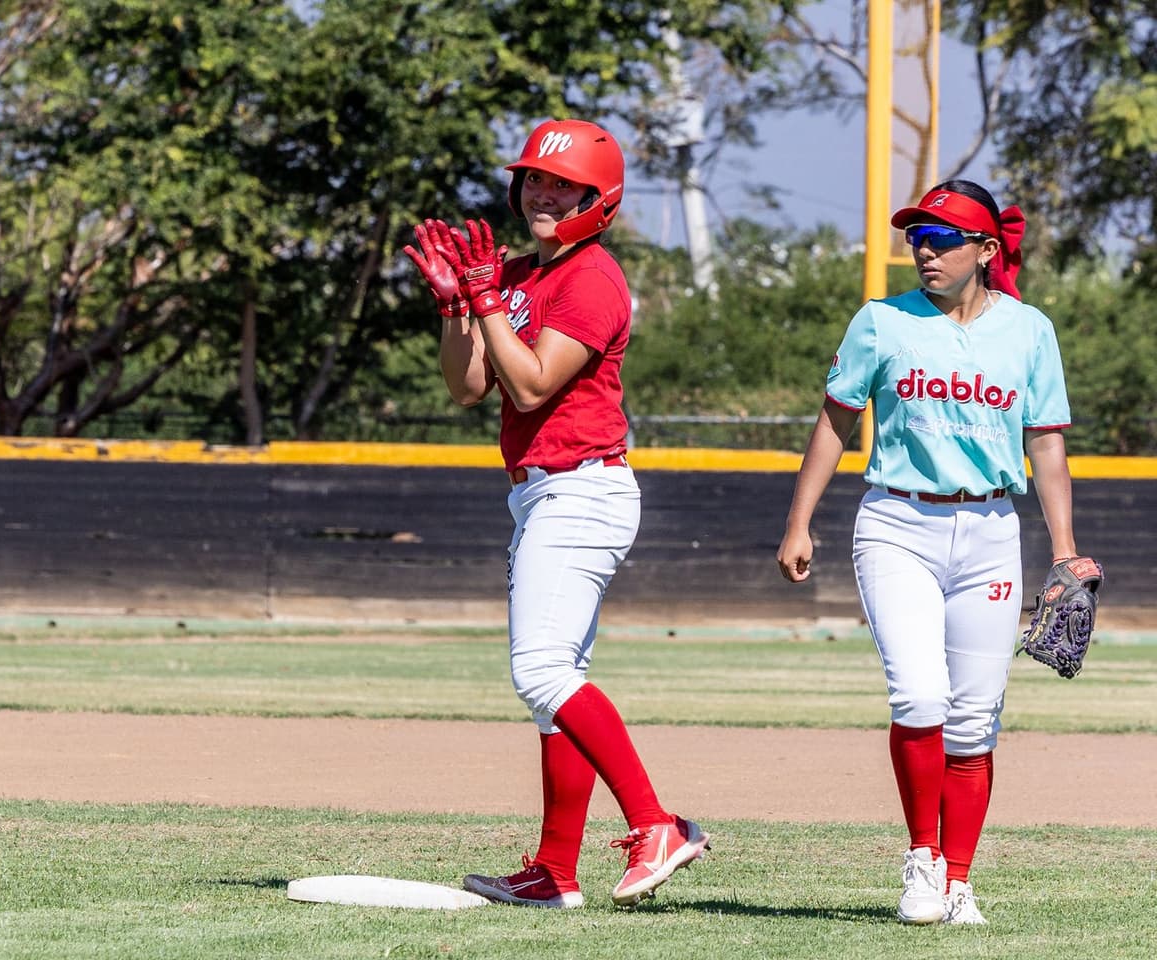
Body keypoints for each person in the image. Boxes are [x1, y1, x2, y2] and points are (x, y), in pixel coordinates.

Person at [402, 118, 709, 909]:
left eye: (561, 183)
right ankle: (554, 871)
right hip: (542, 490)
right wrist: (454, 311)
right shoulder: (512, 273)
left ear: (596, 198)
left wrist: (485, 300)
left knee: (539, 671)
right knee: (552, 685)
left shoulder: (593, 277)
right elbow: (469, 387)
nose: (543, 192)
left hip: (583, 487)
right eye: (534, 179)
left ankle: (655, 824)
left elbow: (534, 384)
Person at [776, 180, 1083, 926]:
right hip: (897, 524)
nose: (925, 249)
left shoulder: (1029, 330)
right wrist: (800, 521)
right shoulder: (883, 321)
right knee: (920, 696)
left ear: (986, 250)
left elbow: (1045, 443)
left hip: (990, 531)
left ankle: (959, 881)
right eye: (919, 236)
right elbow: (836, 421)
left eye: (944, 238)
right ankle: (921, 858)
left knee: (975, 719)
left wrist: (1067, 553)